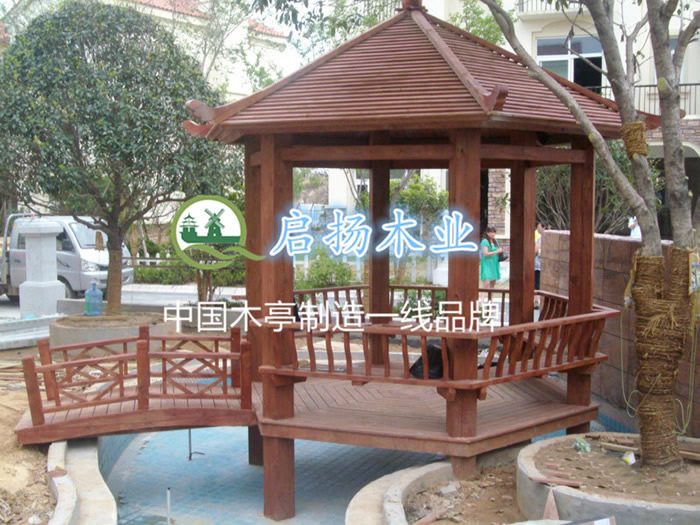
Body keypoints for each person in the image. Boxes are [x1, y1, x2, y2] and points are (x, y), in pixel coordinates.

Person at [480, 226, 503, 291]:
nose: (493, 234)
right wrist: (497, 251)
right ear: (487, 233)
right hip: (487, 264)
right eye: (491, 232)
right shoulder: (485, 241)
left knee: (492, 284)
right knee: (486, 284)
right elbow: (485, 253)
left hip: (494, 263)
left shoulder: (495, 241)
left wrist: (500, 252)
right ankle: (482, 298)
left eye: (494, 232)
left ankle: (491, 297)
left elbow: (497, 252)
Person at [534, 222, 545, 309]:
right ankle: (537, 301)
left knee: (537, 284)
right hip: (541, 265)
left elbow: (535, 251)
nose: (537, 229)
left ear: (544, 228)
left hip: (538, 265)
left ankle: (537, 301)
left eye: (539, 227)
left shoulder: (541, 239)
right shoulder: (540, 238)